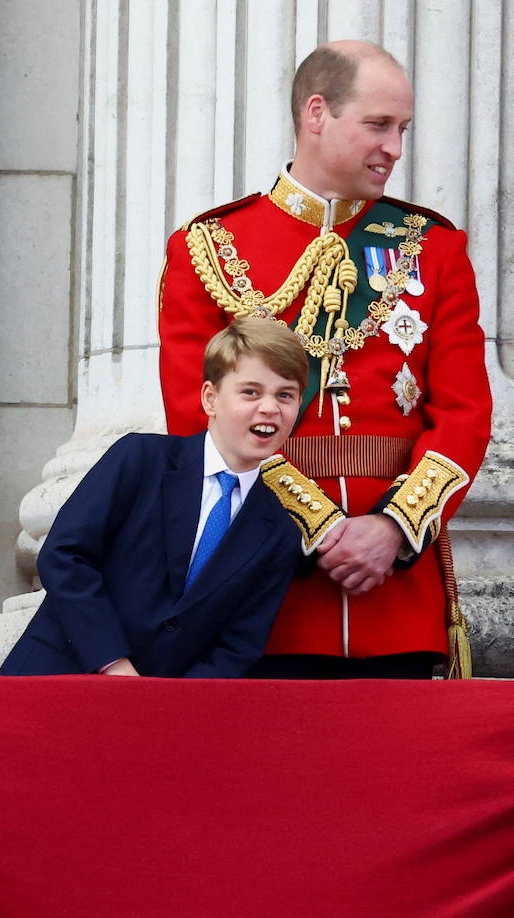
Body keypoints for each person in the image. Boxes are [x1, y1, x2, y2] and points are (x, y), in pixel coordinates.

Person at [157, 41, 492, 679]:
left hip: (398, 595)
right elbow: (192, 417)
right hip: (265, 595)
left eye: (403, 129)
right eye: (379, 125)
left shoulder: (433, 248)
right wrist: (321, 531)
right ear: (317, 113)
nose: (395, 147)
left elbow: (465, 413)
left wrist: (392, 528)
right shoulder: (210, 247)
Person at [1, 319, 309, 677]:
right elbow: (64, 556)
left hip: (160, 714)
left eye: (285, 395)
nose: (270, 407)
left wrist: (167, 706)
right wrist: (113, 663)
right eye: (251, 392)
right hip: (57, 677)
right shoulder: (141, 459)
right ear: (210, 398)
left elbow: (238, 645)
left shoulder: (279, 529)